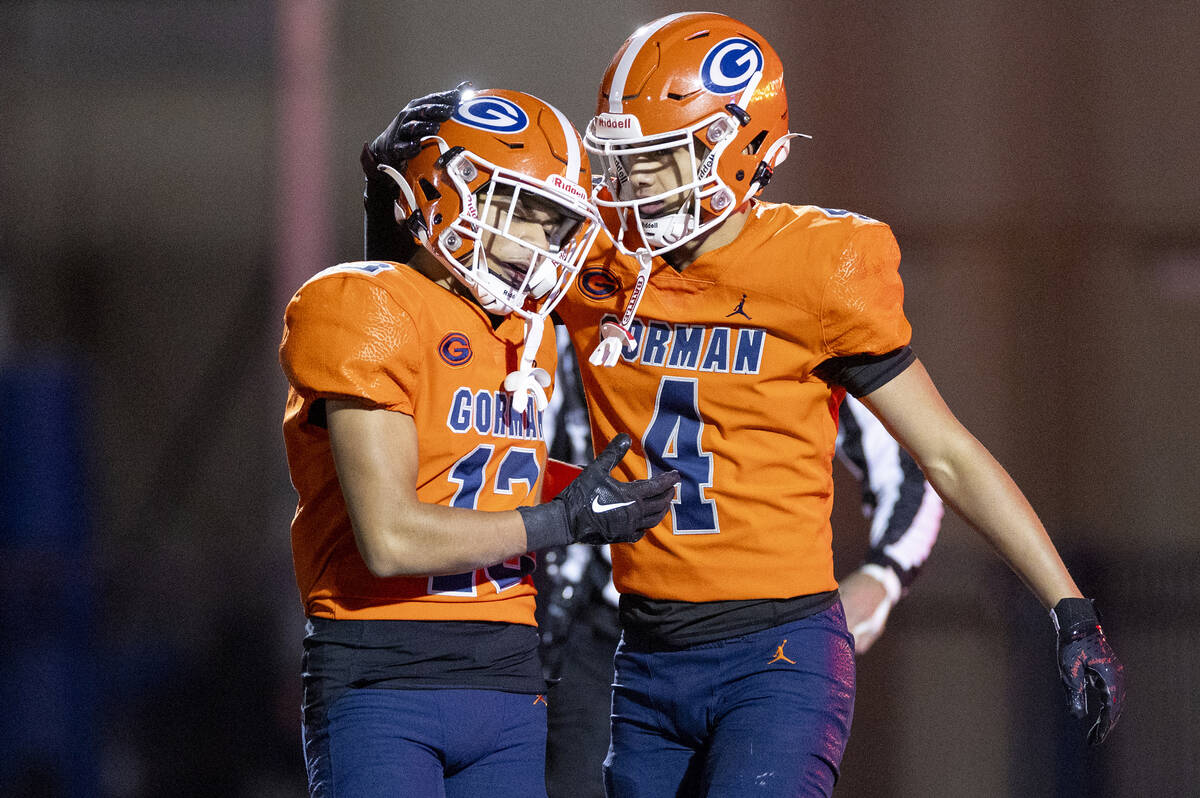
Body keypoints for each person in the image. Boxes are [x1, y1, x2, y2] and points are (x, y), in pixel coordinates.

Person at [364, 14, 1126, 794]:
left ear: (742, 150)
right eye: (623, 162)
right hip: (644, 654)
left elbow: (948, 455)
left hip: (777, 654)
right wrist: (404, 198)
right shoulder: (597, 254)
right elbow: (459, 267)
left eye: (658, 163)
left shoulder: (818, 269)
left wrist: (1069, 606)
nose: (633, 189)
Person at [279, 88, 679, 798]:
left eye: (554, 219)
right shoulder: (367, 303)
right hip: (385, 672)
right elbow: (392, 536)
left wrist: (582, 493)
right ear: (432, 194)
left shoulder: (524, 333)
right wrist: (562, 521)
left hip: (508, 676)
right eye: (517, 206)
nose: (541, 237)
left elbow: (474, 470)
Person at [536, 371, 944, 798]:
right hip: (607, 637)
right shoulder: (578, 310)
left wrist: (881, 576)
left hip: (763, 635)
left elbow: (921, 463)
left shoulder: (795, 316)